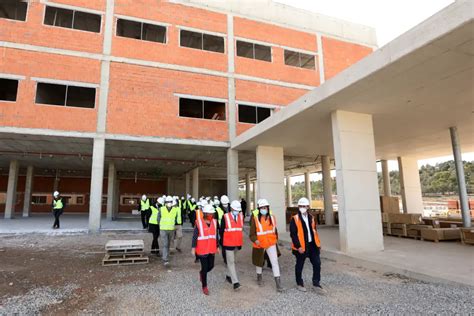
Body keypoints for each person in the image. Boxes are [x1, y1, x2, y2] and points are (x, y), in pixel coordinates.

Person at [290, 197, 324, 293]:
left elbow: (314, 231)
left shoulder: (311, 218)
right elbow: (293, 234)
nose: (302, 208)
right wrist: (298, 246)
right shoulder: (295, 219)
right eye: (300, 206)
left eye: (304, 206)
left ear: (308, 207)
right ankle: (299, 283)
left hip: (312, 245)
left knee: (317, 263)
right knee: (300, 265)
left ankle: (316, 283)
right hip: (301, 246)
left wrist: (318, 243)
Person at [249, 198, 284, 292]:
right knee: (259, 262)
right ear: (259, 209)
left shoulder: (272, 218)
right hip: (259, 244)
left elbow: (274, 230)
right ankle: (259, 276)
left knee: (274, 262)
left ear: (268, 208)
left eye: (265, 207)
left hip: (271, 243)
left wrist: (276, 239)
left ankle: (278, 284)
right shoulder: (255, 219)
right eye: (262, 208)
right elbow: (252, 234)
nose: (264, 209)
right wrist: (255, 240)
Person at [192, 204, 219, 295]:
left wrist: (217, 246)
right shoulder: (199, 222)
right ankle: (205, 286)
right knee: (204, 268)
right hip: (202, 249)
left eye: (212, 213)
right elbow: (195, 236)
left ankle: (202, 274)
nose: (211, 215)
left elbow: (215, 235)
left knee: (211, 266)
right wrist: (193, 248)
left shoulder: (215, 222)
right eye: (210, 213)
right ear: (205, 214)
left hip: (211, 248)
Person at [219, 200, 244, 291]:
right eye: (236, 210)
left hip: (237, 243)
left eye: (239, 210)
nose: (237, 211)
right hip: (228, 243)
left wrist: (240, 243)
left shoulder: (241, 216)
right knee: (231, 262)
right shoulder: (225, 217)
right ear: (232, 208)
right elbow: (221, 231)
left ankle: (228, 275)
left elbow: (240, 230)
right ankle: (235, 283)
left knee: (232, 261)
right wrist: (222, 243)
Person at [158, 196, 179, 266]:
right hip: (163, 229)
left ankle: (166, 255)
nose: (169, 203)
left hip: (171, 229)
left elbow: (175, 219)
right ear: (165, 203)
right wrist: (160, 225)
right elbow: (158, 218)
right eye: (168, 202)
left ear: (172, 202)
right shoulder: (161, 209)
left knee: (168, 244)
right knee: (165, 244)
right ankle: (165, 259)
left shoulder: (175, 210)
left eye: (170, 202)